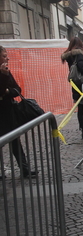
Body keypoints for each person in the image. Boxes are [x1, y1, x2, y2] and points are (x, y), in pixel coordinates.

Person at [0, 46, 37, 178]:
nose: (7, 58)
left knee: (15, 141)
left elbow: (17, 89)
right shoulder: (4, 73)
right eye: (4, 56)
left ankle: (25, 169)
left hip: (9, 112)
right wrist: (3, 79)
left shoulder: (6, 71)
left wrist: (8, 92)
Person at [61, 37, 83, 139]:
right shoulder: (78, 54)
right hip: (82, 83)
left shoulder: (68, 56)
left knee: (80, 108)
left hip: (75, 84)